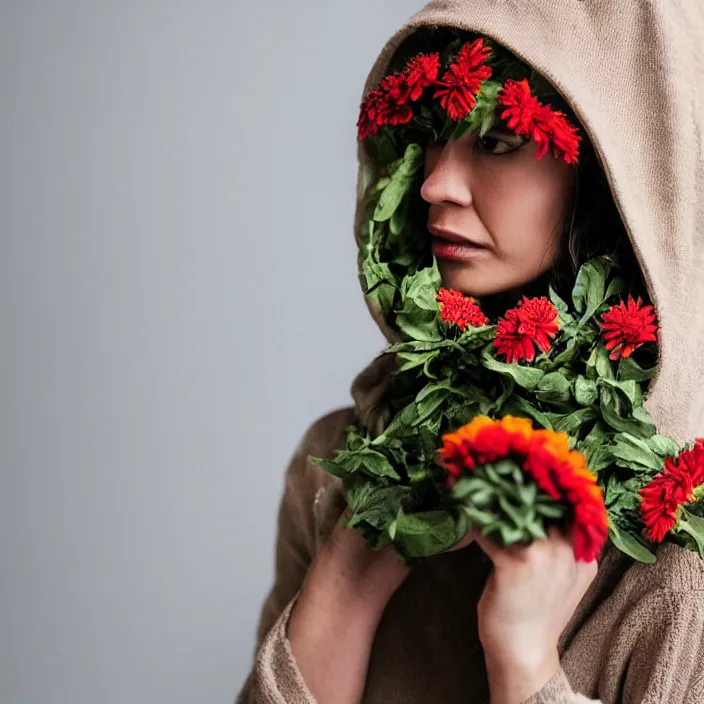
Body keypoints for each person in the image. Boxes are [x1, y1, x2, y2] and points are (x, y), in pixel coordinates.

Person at [236, 2, 704, 703]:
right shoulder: (336, 465)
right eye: (429, 139)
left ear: (618, 170)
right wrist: (350, 573)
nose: (433, 185)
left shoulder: (679, 550)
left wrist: (526, 665)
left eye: (500, 140)